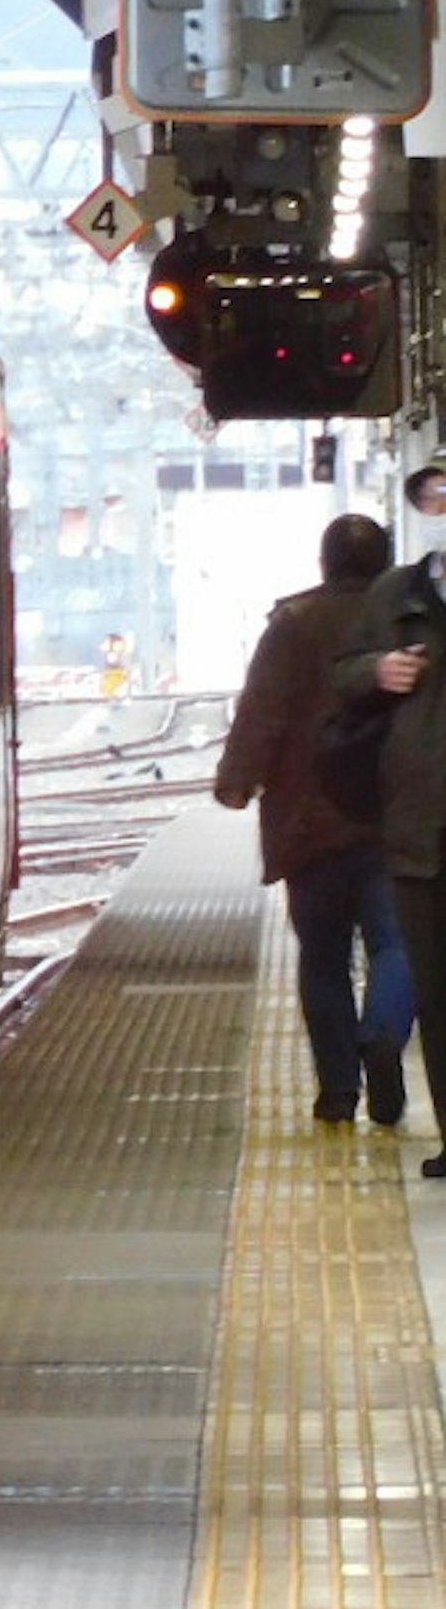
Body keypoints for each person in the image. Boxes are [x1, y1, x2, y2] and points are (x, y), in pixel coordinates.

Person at [219, 510, 409, 1124]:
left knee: (322, 959)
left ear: (324, 564)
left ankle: (337, 1091)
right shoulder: (410, 622)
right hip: (392, 817)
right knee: (392, 943)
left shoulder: (293, 624)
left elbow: (263, 712)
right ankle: (382, 1035)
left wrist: (237, 781)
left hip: (310, 820)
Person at [332, 468, 446, 1171]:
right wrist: (376, 672)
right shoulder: (393, 595)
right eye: (433, 499)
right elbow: (342, 676)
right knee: (434, 990)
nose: (441, 510)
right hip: (419, 828)